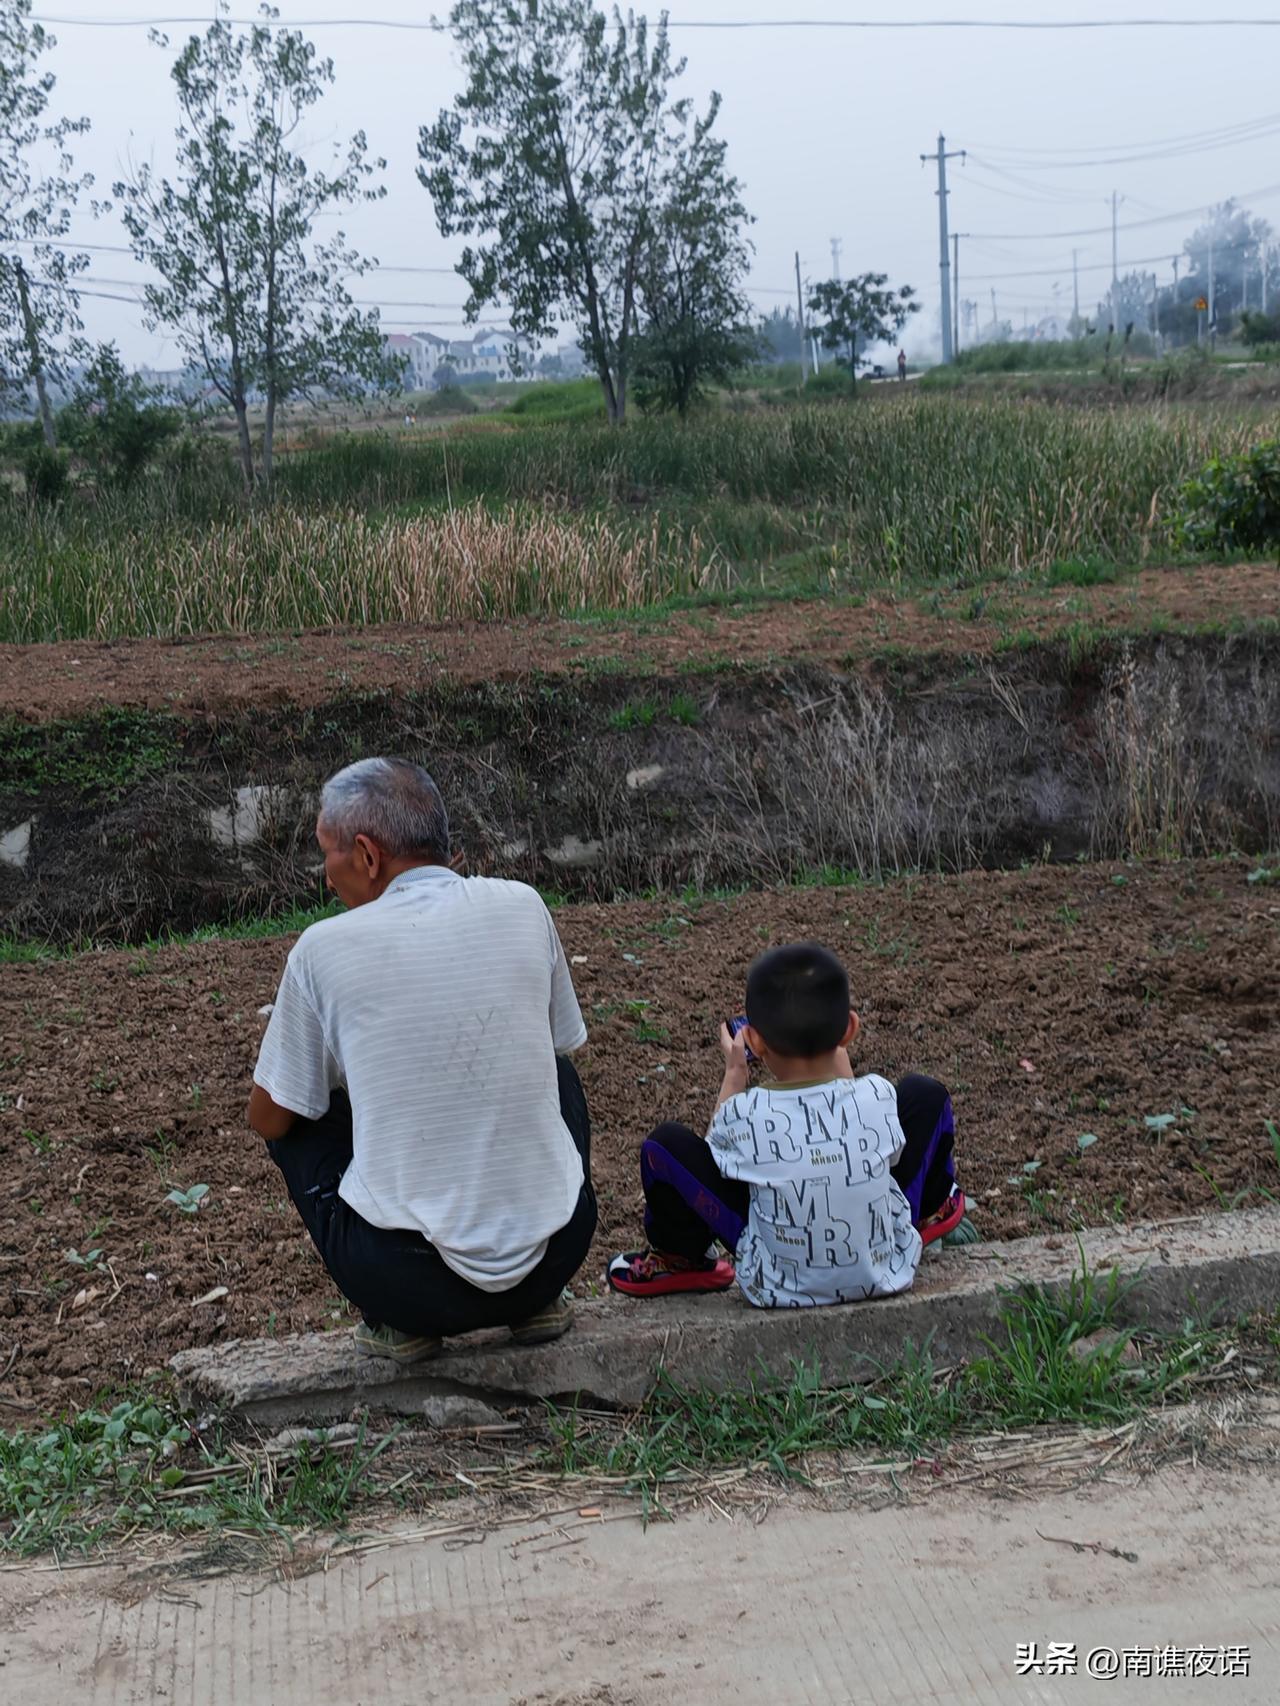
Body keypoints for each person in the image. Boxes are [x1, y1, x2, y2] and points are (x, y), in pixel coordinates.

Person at [248, 757, 595, 1363]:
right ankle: (538, 1304)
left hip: (406, 1282)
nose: (327, 876)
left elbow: (269, 1120)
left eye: (327, 854)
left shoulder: (322, 949)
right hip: (560, 1251)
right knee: (556, 1069)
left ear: (366, 855)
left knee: (296, 1109)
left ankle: (395, 1326)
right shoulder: (523, 905)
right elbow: (560, 1041)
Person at [607, 942, 975, 1306]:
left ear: (752, 1039)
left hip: (777, 1285)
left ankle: (679, 1257)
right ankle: (931, 1208)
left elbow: (714, 1161)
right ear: (849, 1029)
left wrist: (735, 1073)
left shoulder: (745, 1112)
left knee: (663, 1145)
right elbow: (872, 1144)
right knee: (926, 1094)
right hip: (886, 1270)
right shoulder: (876, 1094)